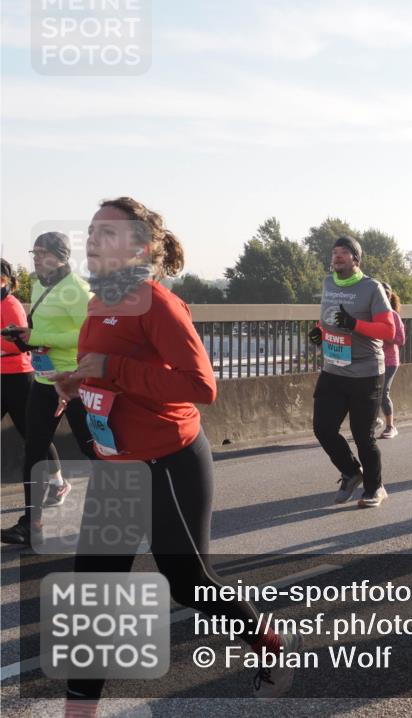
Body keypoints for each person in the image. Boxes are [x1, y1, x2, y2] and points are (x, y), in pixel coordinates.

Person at [50, 198, 301, 712]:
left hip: (169, 462)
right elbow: (107, 371)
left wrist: (111, 368)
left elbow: (200, 386)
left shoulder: (158, 304)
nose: (91, 239)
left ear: (139, 247)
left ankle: (270, 643)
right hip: (116, 467)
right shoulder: (98, 303)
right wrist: (78, 383)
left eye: (106, 232)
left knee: (187, 581)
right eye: (91, 230)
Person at [0, 234, 95, 546]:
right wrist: (29, 336)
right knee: (34, 450)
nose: (36, 258)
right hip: (44, 380)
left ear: (62, 257)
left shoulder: (77, 289)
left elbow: (88, 336)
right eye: (34, 252)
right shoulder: (39, 285)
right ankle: (32, 525)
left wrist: (40, 335)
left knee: (93, 451)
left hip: (76, 380)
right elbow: (45, 329)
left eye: (43, 253)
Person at [307, 237, 395, 507]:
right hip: (334, 369)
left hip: (366, 373)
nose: (337, 256)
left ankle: (375, 487)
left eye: (344, 252)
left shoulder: (372, 288)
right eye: (334, 252)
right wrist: (319, 333)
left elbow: (388, 330)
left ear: (356, 259)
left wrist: (354, 323)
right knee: (323, 428)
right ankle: (351, 471)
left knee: (363, 437)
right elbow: (327, 319)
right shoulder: (328, 283)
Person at [1, 260, 62, 516]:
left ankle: (58, 483)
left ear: (4, 280)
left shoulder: (11, 305)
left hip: (19, 378)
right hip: (3, 378)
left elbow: (20, 345)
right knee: (34, 436)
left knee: (34, 435)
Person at [378, 282, 406, 439]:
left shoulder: (393, 315)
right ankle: (375, 420)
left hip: (389, 361)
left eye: (386, 293)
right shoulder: (371, 313)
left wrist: (385, 335)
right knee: (368, 391)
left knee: (382, 392)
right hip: (373, 359)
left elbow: (401, 339)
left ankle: (390, 426)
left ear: (389, 296)